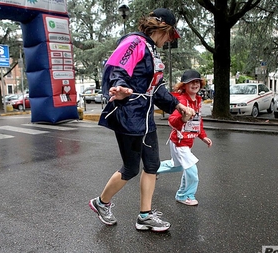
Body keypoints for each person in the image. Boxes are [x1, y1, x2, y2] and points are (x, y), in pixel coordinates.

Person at [88, 8, 195, 232]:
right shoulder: (134, 42)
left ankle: (144, 216)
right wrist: (118, 86)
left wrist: (178, 105)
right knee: (130, 168)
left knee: (152, 165)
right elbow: (117, 67)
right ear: (163, 28)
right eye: (170, 35)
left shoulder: (152, 52)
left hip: (144, 116)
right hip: (129, 114)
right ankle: (101, 202)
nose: (169, 41)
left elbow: (157, 90)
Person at [157, 69, 213, 206]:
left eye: (197, 82)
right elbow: (172, 121)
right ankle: (184, 195)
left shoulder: (197, 100)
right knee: (192, 170)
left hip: (186, 142)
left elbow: (197, 122)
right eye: (190, 83)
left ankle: (153, 168)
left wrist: (203, 137)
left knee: (177, 166)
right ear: (184, 86)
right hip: (179, 141)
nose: (195, 85)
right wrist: (183, 118)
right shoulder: (181, 101)